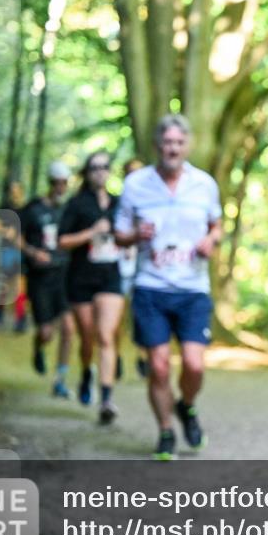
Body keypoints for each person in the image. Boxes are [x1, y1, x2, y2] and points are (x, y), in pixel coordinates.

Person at [114, 114, 222, 460]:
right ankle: (164, 431)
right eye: (167, 143)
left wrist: (210, 240)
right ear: (157, 146)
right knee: (159, 366)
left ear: (186, 145)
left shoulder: (204, 184)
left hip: (193, 288)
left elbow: (217, 224)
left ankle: (186, 406)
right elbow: (118, 234)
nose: (172, 148)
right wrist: (135, 235)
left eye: (178, 142)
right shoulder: (136, 184)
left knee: (194, 365)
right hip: (151, 286)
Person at [58, 151, 125, 424]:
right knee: (87, 337)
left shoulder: (120, 203)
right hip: (80, 277)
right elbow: (62, 241)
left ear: (110, 171)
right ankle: (87, 371)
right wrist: (90, 232)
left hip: (110, 276)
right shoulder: (76, 204)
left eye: (105, 167)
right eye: (94, 167)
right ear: (87, 172)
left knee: (106, 335)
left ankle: (106, 399)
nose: (100, 172)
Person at [19, 161, 75, 399]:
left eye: (64, 183)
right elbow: (15, 236)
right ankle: (38, 346)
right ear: (50, 183)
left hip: (64, 276)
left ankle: (60, 380)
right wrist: (33, 253)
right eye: (57, 183)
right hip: (40, 278)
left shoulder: (69, 210)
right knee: (46, 332)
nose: (60, 187)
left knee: (69, 329)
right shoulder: (32, 209)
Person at [120, 158, 150, 379]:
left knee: (143, 317)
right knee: (117, 316)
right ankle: (116, 355)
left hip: (142, 270)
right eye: (130, 172)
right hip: (119, 269)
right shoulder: (117, 205)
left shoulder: (153, 203)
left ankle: (144, 356)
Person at [0, 180, 27, 332]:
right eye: (12, 189)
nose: (14, 192)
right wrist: (7, 233)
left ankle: (20, 318)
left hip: (21, 251)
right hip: (7, 250)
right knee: (6, 283)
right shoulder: (4, 207)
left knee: (20, 284)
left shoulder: (26, 209)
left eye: (17, 189)